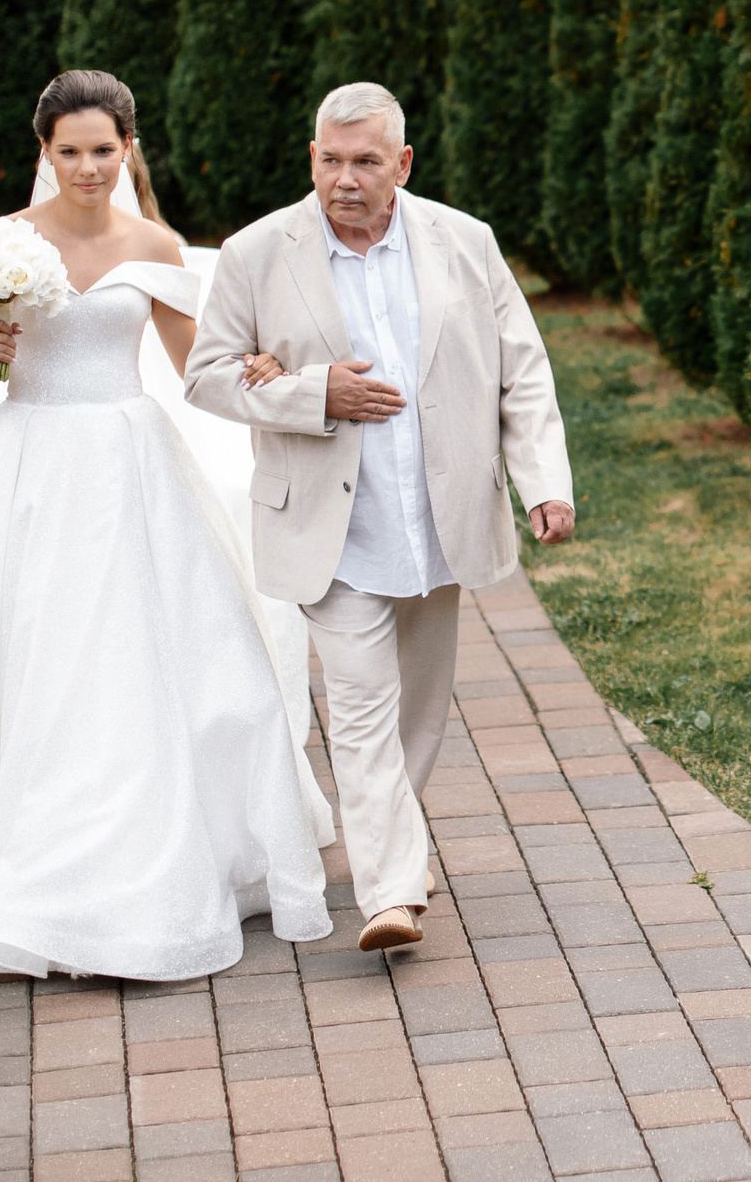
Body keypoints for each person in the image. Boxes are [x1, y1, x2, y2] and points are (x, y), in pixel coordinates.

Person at [0, 71, 337, 979]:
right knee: (40, 646)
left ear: (129, 148)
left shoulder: (154, 242)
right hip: (33, 464)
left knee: (149, 650)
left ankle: (149, 859)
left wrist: (262, 366)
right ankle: (33, 872)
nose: (88, 166)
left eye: (104, 149)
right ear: (45, 150)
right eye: (70, 150)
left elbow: (192, 361)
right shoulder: (5, 245)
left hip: (129, 461)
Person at [185, 82, 575, 952]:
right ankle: (391, 893)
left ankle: (396, 842)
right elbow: (207, 374)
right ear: (311, 158)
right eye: (330, 159)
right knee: (360, 707)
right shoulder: (256, 252)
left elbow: (523, 365)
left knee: (420, 712)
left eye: (365, 161)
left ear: (402, 164)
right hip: (331, 528)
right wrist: (316, 391)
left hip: (439, 520)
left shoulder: (463, 241)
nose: (344, 179)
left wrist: (543, 480)